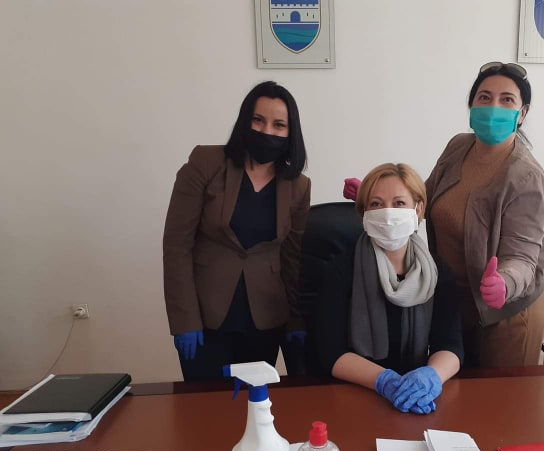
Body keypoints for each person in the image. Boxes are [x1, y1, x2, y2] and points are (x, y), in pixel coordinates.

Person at [163, 81, 311, 380]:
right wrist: (184, 319)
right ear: (245, 121)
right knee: (204, 404)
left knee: (254, 401)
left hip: (265, 316)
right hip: (205, 315)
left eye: (279, 125)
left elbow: (293, 257)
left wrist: (296, 318)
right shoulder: (206, 163)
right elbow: (177, 245)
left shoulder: (298, 185)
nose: (267, 131)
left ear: (290, 132)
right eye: (258, 120)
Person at [425, 61, 544, 368]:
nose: (493, 107)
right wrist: (386, 195)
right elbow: (425, 195)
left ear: (522, 113)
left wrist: (505, 283)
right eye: (484, 97)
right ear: (472, 104)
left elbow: (523, 258)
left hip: (510, 310)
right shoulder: (458, 146)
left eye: (507, 99)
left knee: (500, 396)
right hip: (460, 301)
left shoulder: (525, 176)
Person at [314, 163, 463, 414]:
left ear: (418, 209)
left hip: (417, 400)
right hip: (355, 397)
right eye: (376, 204)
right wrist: (385, 382)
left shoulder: (438, 272)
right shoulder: (341, 270)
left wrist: (431, 377)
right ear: (364, 213)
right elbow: (330, 352)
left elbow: (450, 346)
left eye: (399, 203)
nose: (387, 212)